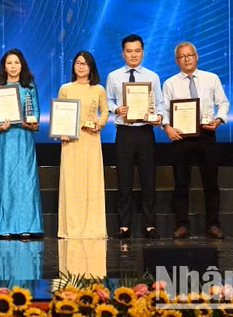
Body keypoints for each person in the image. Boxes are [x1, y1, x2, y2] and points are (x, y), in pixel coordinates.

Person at [163, 41, 229, 239]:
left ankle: (213, 225)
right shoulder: (170, 83)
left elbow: (223, 102)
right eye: (182, 57)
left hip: (206, 135)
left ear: (197, 56)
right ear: (177, 60)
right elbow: (164, 110)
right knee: (181, 184)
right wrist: (167, 127)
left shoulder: (211, 78)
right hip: (181, 137)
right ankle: (182, 224)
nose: (186, 59)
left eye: (189, 55)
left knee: (211, 183)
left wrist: (218, 120)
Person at [0, 48, 43, 238]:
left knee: (25, 181)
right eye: (9, 63)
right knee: (4, 181)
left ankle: (27, 226)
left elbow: (36, 113)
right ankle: (4, 226)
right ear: (4, 66)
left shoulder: (29, 86)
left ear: (22, 65)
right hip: (4, 139)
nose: (13, 66)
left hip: (24, 139)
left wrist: (29, 121)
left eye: (16, 62)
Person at [105, 34, 167, 239]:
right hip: (124, 132)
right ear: (123, 53)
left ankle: (150, 224)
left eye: (137, 50)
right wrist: (117, 109)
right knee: (124, 180)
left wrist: (158, 116)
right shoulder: (114, 76)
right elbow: (108, 101)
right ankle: (124, 225)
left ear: (143, 52)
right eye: (129, 51)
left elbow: (159, 103)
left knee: (149, 179)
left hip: (145, 131)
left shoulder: (152, 76)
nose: (133, 55)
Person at [57, 50, 108, 239]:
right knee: (72, 184)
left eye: (84, 64)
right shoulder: (66, 88)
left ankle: (93, 227)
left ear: (91, 67)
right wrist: (61, 131)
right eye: (78, 63)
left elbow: (105, 112)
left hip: (91, 141)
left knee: (91, 184)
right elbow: (60, 113)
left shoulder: (98, 89)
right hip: (70, 143)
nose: (80, 66)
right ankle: (71, 227)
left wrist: (99, 124)